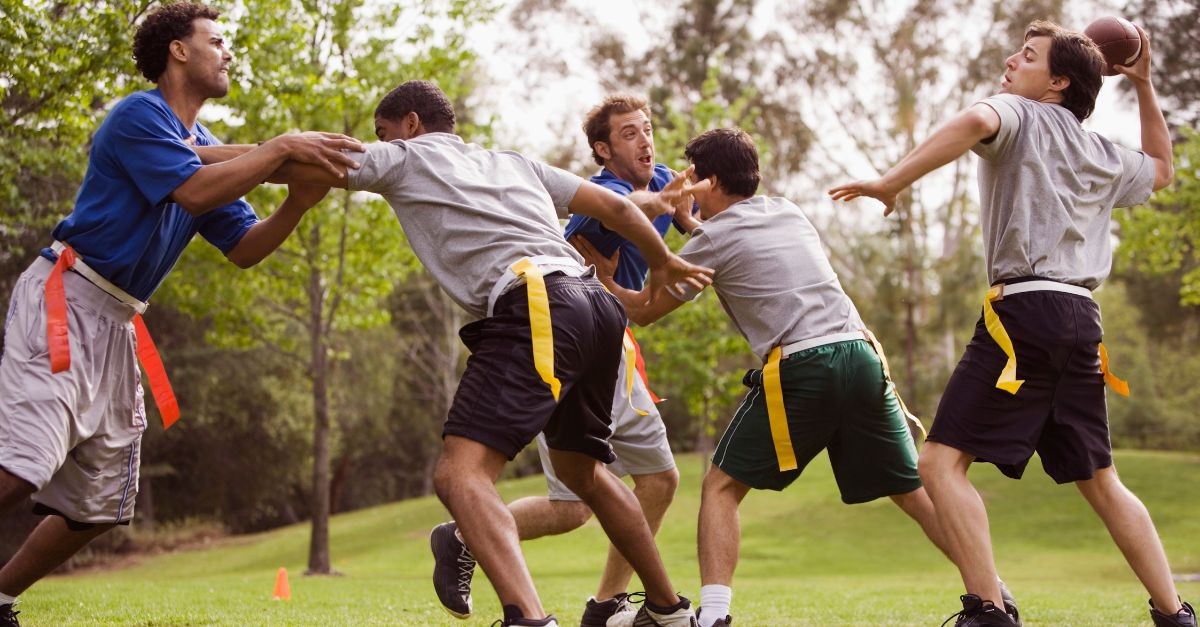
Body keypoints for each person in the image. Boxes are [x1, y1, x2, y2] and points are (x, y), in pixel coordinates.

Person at [251, 80, 712, 627]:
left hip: (538, 303)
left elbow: (300, 162)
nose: (379, 143)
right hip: (597, 309)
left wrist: (186, 156)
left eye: (382, 133)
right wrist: (661, 258)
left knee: (459, 475)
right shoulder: (511, 161)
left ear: (412, 124)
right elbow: (614, 206)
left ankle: (529, 619)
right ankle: (668, 610)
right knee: (582, 475)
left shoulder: (404, 157)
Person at [0, 3, 362, 625]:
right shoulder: (140, 115)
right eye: (216, 40)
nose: (228, 52)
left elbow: (245, 249)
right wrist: (279, 148)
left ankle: (0, 596)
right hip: (65, 299)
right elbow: (193, 188)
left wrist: (298, 201)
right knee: (19, 467)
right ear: (178, 51)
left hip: (118, 322)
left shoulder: (211, 148)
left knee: (99, 503)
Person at [828, 20, 1194, 627]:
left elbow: (975, 122)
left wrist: (890, 181)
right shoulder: (1100, 150)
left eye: (1027, 57)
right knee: (1101, 479)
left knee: (940, 465)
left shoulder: (1018, 113)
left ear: (1056, 83)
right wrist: (1146, 85)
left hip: (1024, 314)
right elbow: (1161, 168)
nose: (1010, 61)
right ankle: (1174, 613)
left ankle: (989, 612)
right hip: (1080, 319)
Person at [583, 128, 955, 627]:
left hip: (805, 364)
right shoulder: (786, 210)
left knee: (720, 487)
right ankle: (992, 591)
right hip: (861, 354)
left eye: (691, 175)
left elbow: (647, 312)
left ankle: (712, 616)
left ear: (709, 180)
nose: (685, 183)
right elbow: (739, 244)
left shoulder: (711, 241)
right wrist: (693, 224)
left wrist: (605, 278)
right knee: (911, 490)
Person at [429, 93, 693, 627]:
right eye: (629, 134)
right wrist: (645, 264)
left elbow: (675, 223)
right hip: (567, 328)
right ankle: (478, 543)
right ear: (603, 150)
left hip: (608, 336)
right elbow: (574, 259)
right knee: (579, 489)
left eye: (647, 129)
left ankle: (614, 603)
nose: (644, 140)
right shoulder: (610, 198)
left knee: (632, 484)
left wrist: (681, 217)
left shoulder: (662, 178)